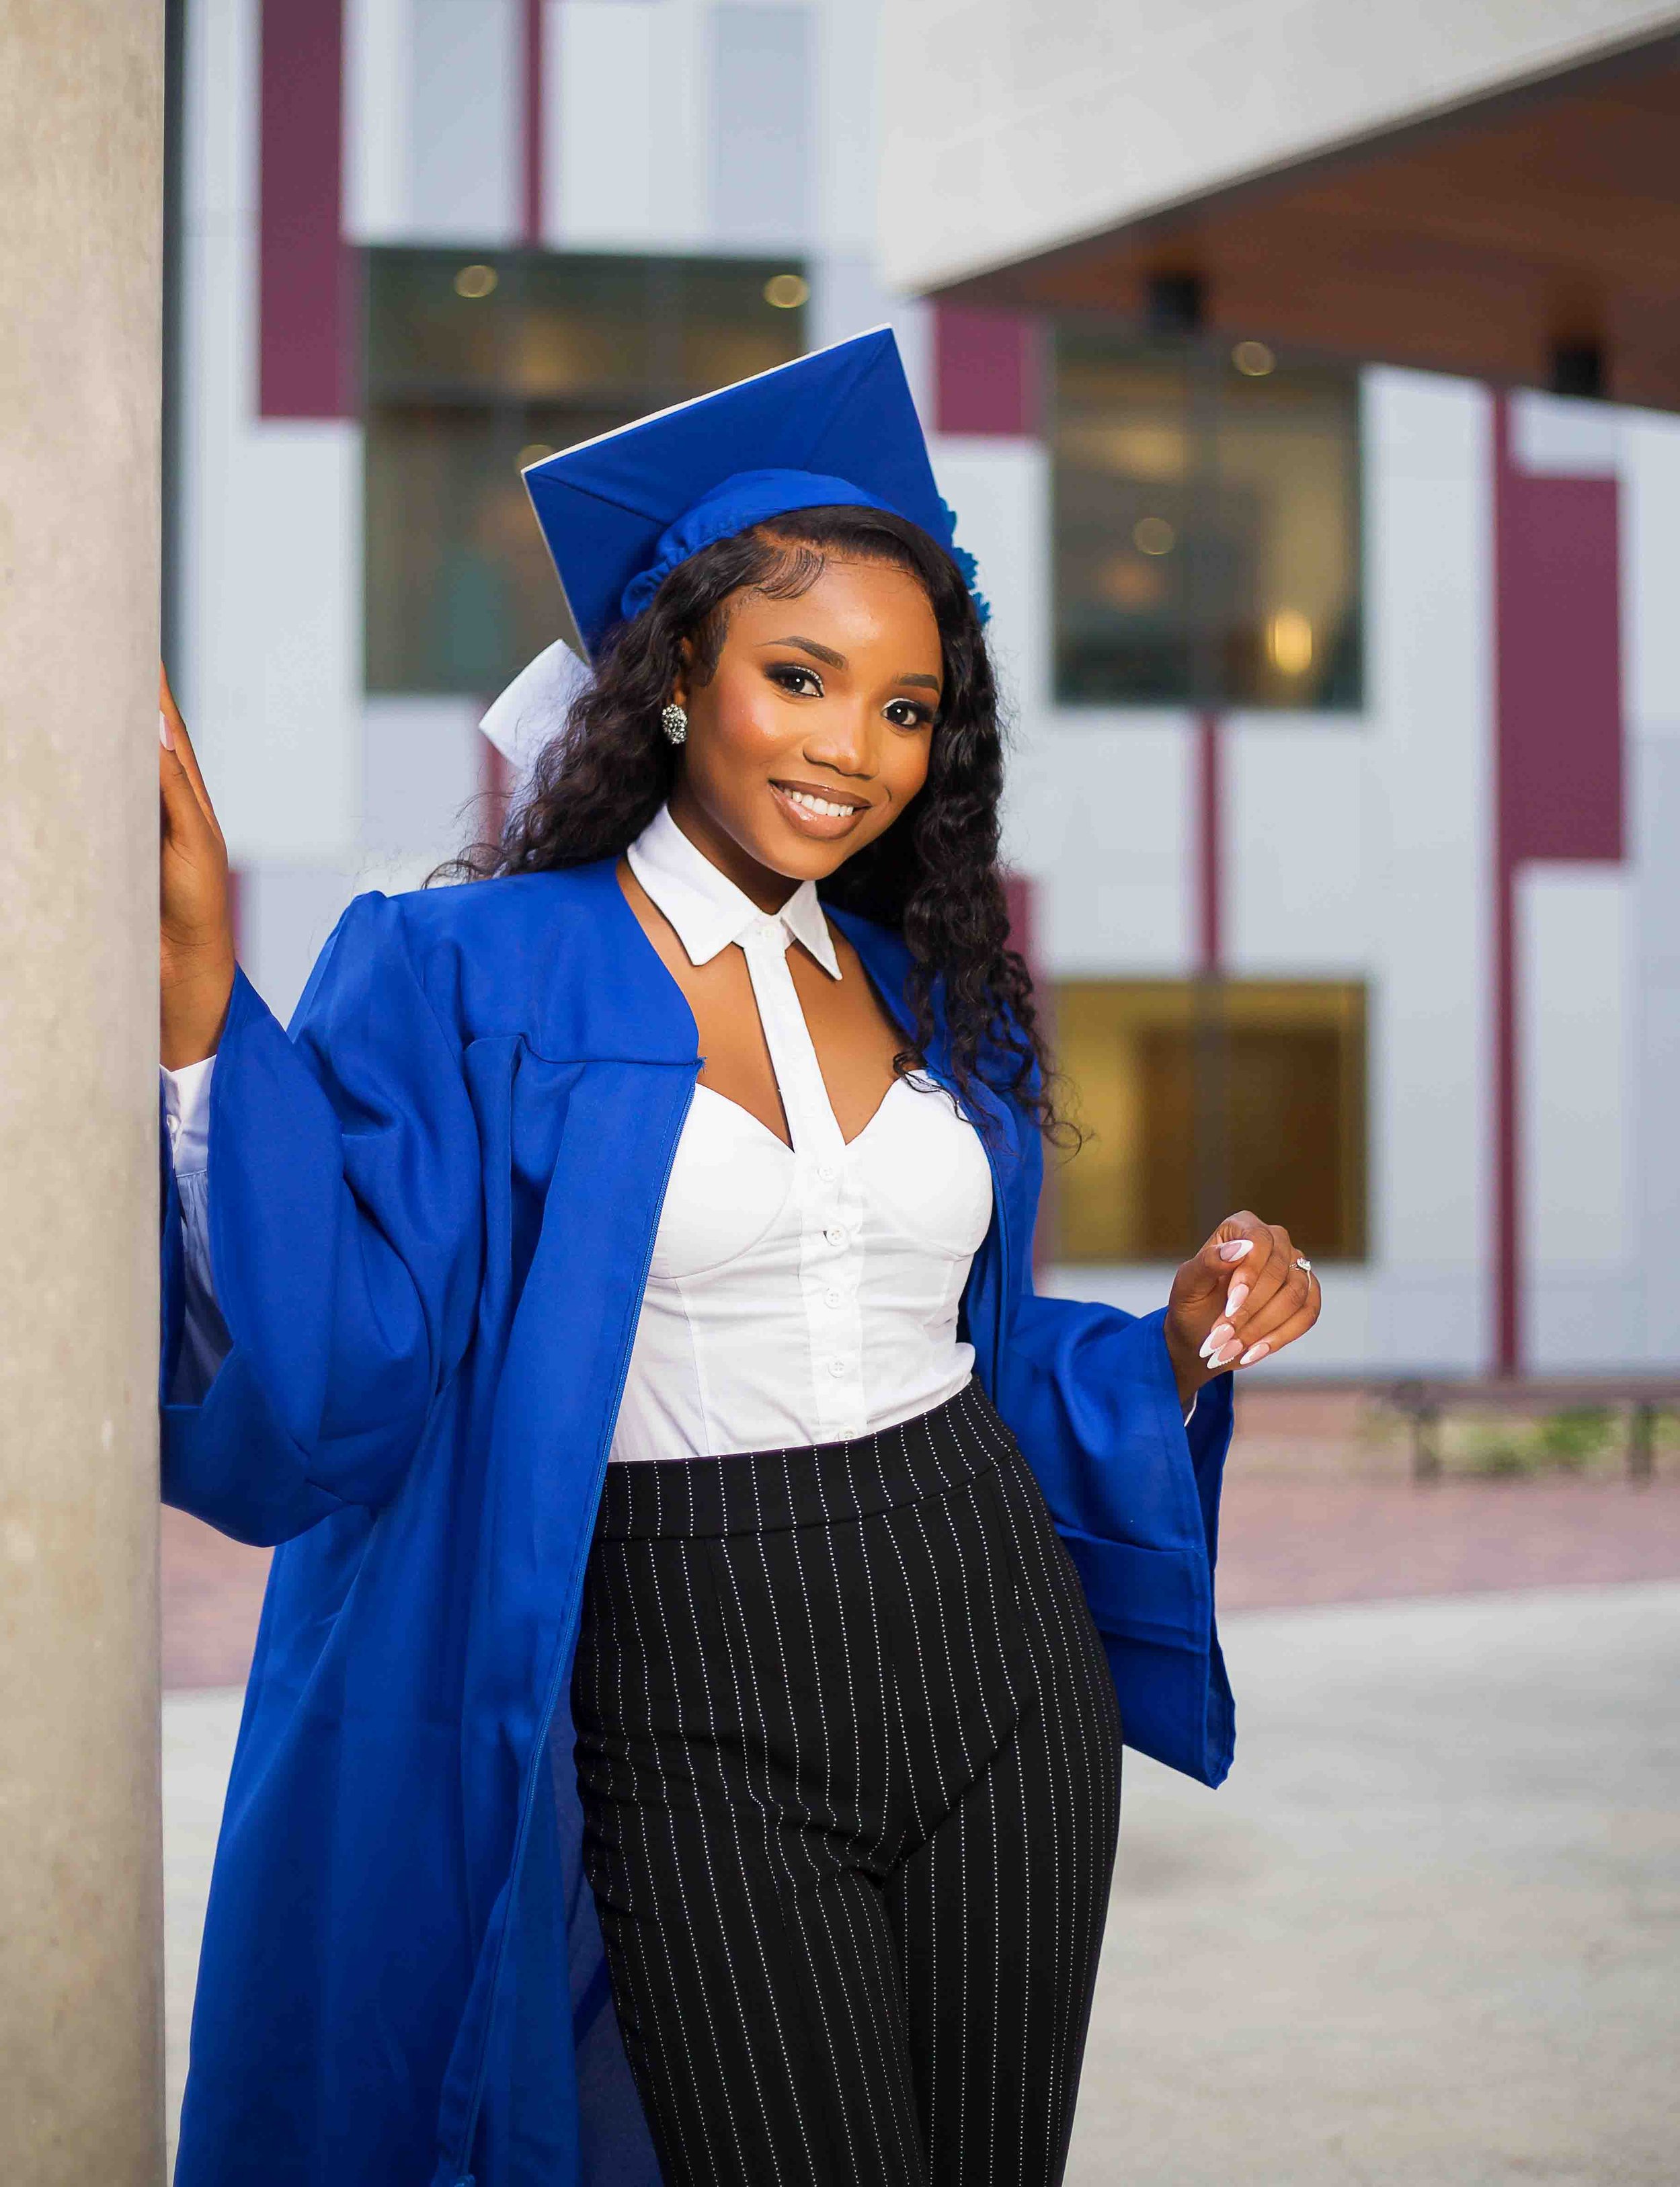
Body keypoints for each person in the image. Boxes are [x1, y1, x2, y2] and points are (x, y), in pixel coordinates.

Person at [158, 329, 1322, 2187]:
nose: (851, 751)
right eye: (800, 677)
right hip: (689, 1667)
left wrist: (1171, 1342)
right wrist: (203, 997)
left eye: (905, 709)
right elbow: (345, 1357)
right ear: (677, 676)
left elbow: (970, 1349)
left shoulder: (912, 989)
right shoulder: (474, 973)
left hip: (990, 1647)